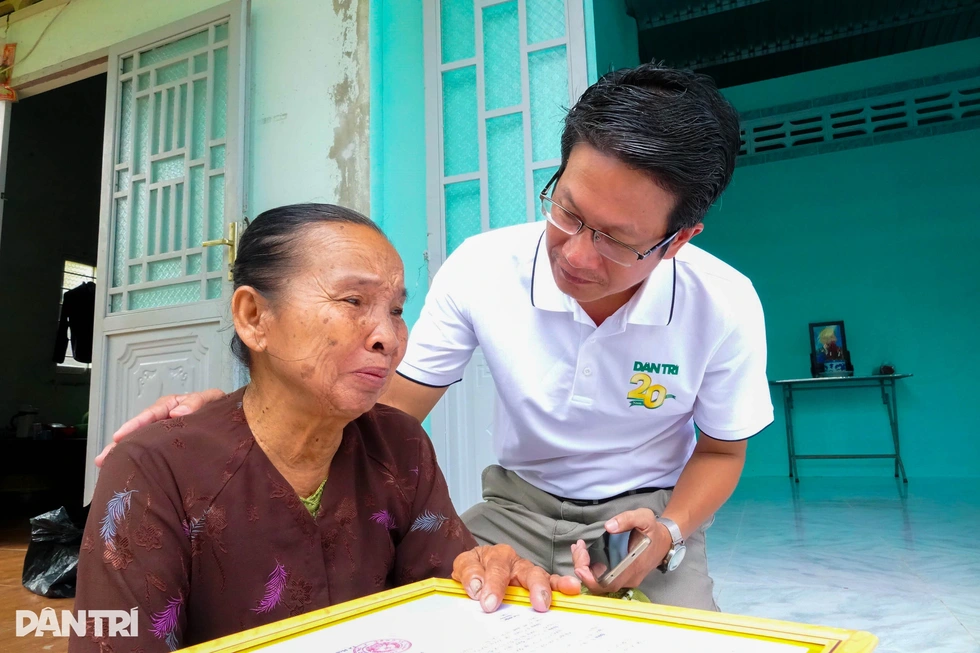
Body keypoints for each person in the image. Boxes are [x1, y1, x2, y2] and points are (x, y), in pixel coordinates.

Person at [101, 63, 774, 612]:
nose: (575, 254)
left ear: (677, 240)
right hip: (518, 502)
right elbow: (383, 409)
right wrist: (244, 417)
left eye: (617, 242)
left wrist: (670, 530)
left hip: (647, 510)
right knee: (439, 609)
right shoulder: (484, 267)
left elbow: (719, 451)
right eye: (567, 211)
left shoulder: (724, 304)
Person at [73, 205, 579, 653]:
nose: (388, 336)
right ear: (254, 318)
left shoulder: (399, 445)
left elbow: (443, 592)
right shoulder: (155, 470)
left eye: (397, 310)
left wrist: (488, 575)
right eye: (352, 301)